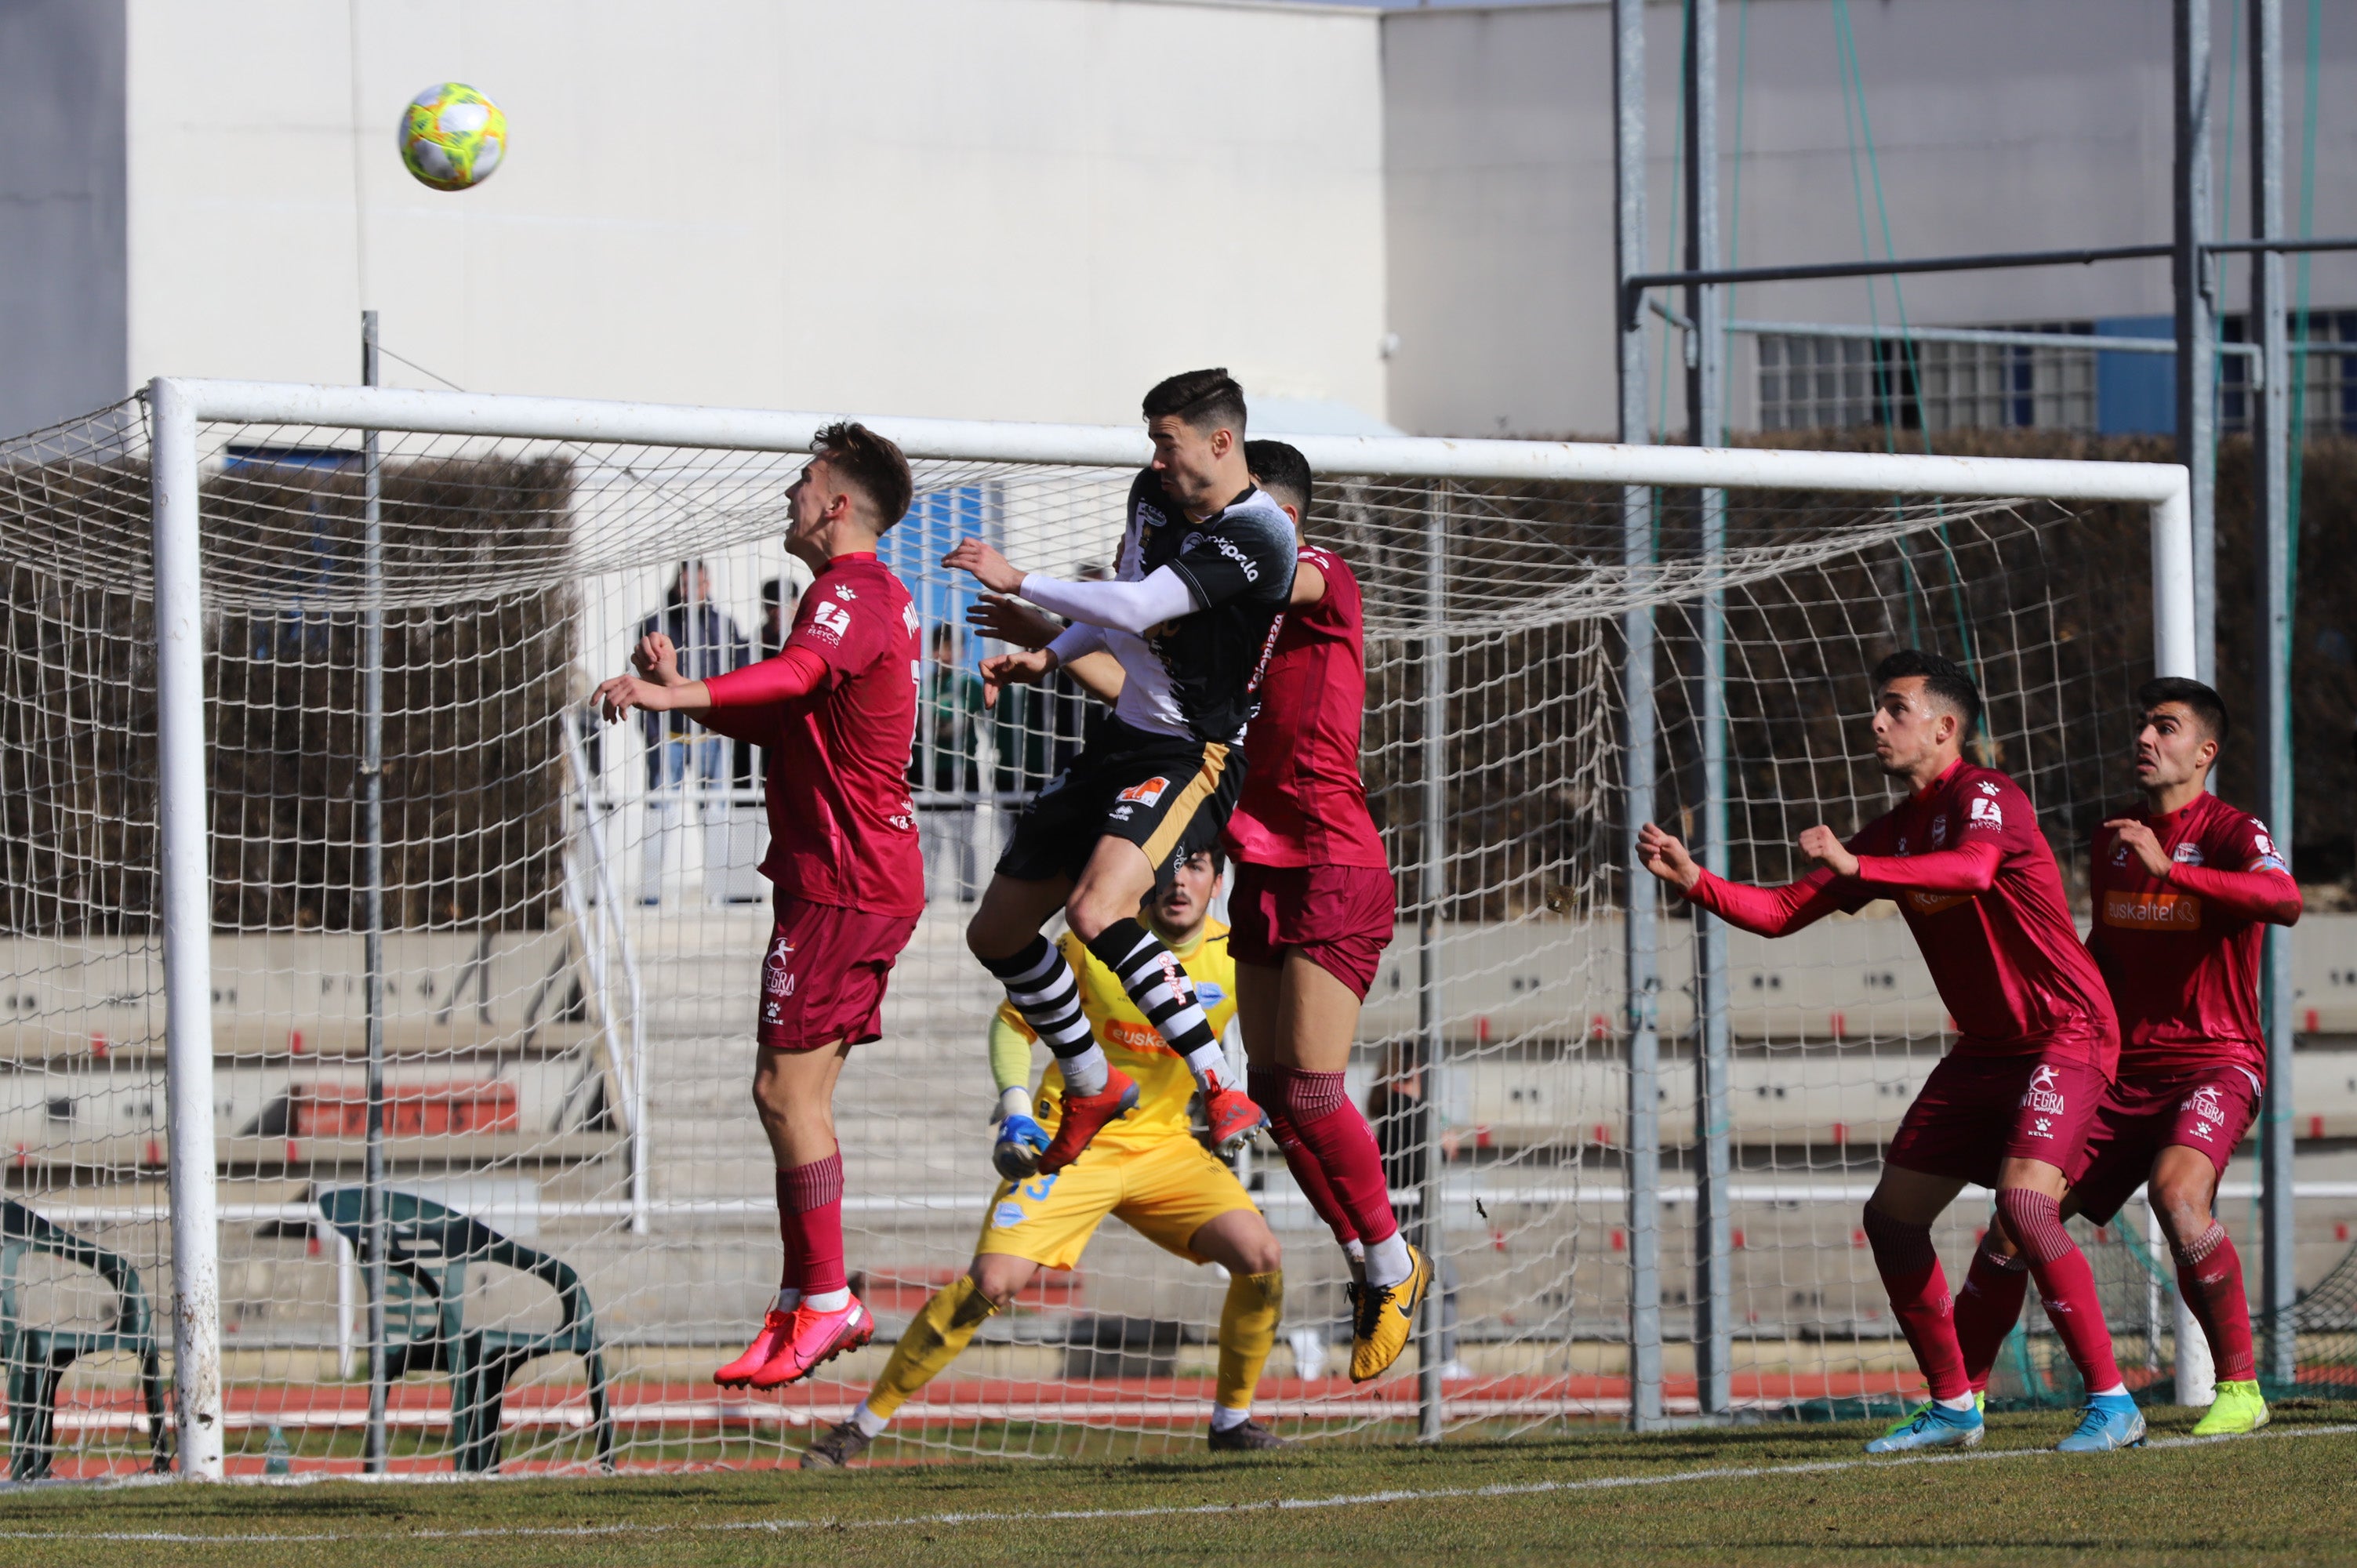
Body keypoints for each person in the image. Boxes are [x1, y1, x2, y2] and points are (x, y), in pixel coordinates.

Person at [1638, 650, 2141, 1454]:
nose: (1876, 722)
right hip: (1987, 1049)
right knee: (1892, 1217)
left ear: (1945, 728)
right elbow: (1779, 912)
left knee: (2023, 1205)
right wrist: (1695, 878)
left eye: (1895, 708)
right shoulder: (1898, 829)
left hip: (2067, 1030)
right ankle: (1953, 1405)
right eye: (1877, 708)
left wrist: (1859, 864)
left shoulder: (1988, 795)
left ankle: (2114, 1400)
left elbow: (1975, 871)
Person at [594, 423, 922, 1389]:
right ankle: (804, 1300)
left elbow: (798, 676)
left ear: (836, 506)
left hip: (847, 878)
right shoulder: (863, 598)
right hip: (846, 873)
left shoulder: (850, 594)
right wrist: (688, 696)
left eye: (804, 480)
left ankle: (825, 1300)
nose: (789, 493)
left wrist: (677, 693)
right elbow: (789, 707)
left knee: (786, 1095)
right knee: (790, 1095)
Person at [803, 848, 1289, 1465]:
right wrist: (1014, 1105)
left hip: (1166, 1149)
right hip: (1072, 1140)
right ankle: (859, 1428)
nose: (1178, 881)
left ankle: (1232, 1421)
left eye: (1195, 867)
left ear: (1218, 882)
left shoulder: (1235, 955)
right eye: (1168, 866)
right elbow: (1014, 1022)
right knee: (990, 1284)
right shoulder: (1095, 941)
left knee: (1262, 1257)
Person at [942, 369, 1294, 1175]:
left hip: (1190, 754)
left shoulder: (1261, 534)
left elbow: (1140, 609)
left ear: (1221, 441)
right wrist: (1050, 651)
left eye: (1166, 443)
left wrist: (1018, 578)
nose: (1155, 458)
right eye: (1152, 443)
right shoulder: (1151, 492)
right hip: (1119, 740)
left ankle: (1219, 1080)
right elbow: (1120, 605)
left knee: (1097, 910)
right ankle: (1090, 1081)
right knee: (994, 932)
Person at [1944, 677, 2300, 1437]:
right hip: (2122, 1070)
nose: (2145, 738)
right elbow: (2104, 955)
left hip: (2217, 1061)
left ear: (2204, 752)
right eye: (2142, 725)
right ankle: (1958, 1399)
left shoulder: (2235, 831)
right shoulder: (2113, 842)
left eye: (2165, 728)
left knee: (2178, 1195)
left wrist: (2175, 872)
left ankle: (2241, 1387)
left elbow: (2286, 899)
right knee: (2018, 1215)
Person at [1217, 438, 1429, 1381]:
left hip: (1335, 863)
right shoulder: (1237, 624)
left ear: (1282, 512)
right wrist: (1054, 649)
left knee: (1309, 1087)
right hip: (1261, 865)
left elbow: (1280, 574)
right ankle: (1369, 1264)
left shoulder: (1323, 572)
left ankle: (1395, 1257)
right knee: (1271, 1089)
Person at [634, 561, 750, 904]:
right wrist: (653, 734)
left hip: (712, 739)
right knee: (660, 814)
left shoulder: (723, 625)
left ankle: (720, 893)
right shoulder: (656, 625)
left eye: (698, 584)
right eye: (685, 584)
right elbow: (643, 680)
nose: (691, 591)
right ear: (676, 584)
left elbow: (738, 675)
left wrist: (727, 724)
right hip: (668, 738)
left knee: (716, 815)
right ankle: (651, 895)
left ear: (708, 584)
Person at [1364, 1044, 1465, 1377]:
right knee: (1438, 1283)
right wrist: (1438, 1147)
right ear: (1414, 1072)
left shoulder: (1402, 1107)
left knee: (1389, 1292)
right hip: (1405, 1213)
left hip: (1400, 1212)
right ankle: (1445, 1361)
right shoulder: (1406, 1108)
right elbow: (1412, 1168)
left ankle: (1317, 1337)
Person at [913, 622, 986, 902]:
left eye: (949, 647)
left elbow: (968, 724)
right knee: (928, 836)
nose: (942, 654)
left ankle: (966, 895)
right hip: (927, 770)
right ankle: (925, 895)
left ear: (961, 651)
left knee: (964, 837)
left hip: (963, 770)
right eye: (937, 647)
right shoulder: (922, 684)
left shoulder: (971, 685)